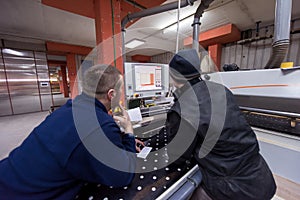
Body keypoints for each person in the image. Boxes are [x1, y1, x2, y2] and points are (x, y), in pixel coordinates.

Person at [0, 64, 139, 199]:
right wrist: (128, 131)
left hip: (8, 176)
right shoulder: (101, 125)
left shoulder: (67, 109)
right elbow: (123, 176)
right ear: (111, 94)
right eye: (120, 90)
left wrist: (115, 139)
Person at [154, 49, 276, 200]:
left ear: (173, 76)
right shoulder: (221, 90)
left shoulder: (183, 108)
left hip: (232, 187)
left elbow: (177, 156)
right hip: (260, 175)